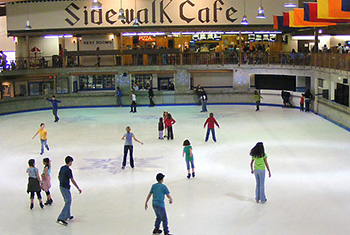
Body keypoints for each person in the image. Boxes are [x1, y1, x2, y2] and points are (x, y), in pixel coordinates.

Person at [57, 156, 82, 226]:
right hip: (65, 187)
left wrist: (61, 182)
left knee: (68, 201)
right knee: (68, 201)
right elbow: (72, 179)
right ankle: (61, 218)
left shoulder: (62, 168)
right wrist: (78, 188)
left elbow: (58, 176)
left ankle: (67, 215)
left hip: (61, 186)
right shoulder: (68, 170)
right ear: (70, 162)